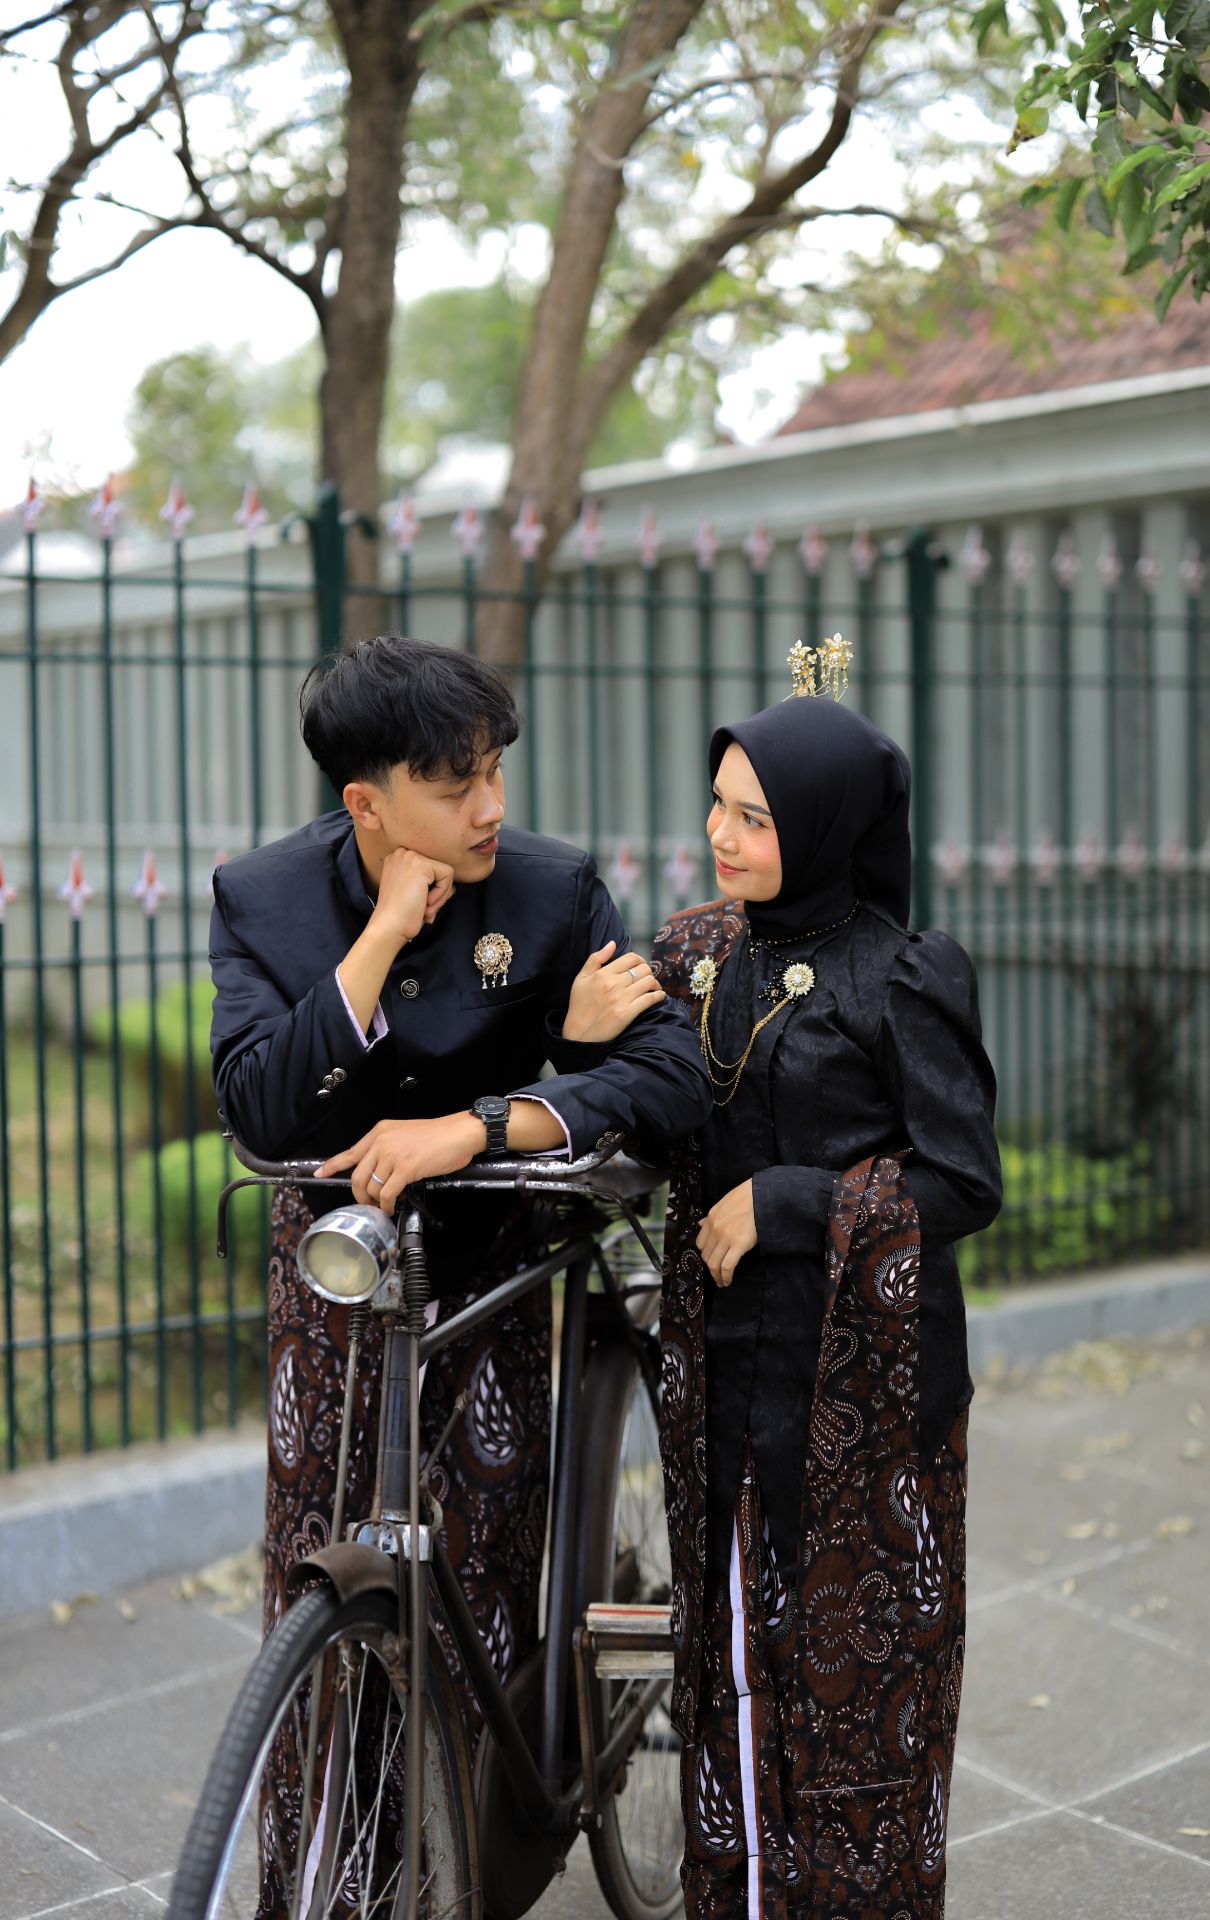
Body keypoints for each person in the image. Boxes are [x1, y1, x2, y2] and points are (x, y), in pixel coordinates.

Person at [207, 633, 711, 1889]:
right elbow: (263, 1108)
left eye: (494, 772)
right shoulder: (264, 899)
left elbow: (667, 1079)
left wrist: (497, 1112)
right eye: (454, 783)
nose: (490, 807)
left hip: (499, 1263)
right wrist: (379, 938)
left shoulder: (549, 891)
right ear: (366, 802)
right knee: (319, 1574)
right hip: (341, 1274)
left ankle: (470, 1869)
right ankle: (329, 1884)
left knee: (480, 1568)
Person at [649, 650, 1002, 1919]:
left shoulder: (900, 973)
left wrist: (795, 1200)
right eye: (718, 805)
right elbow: (633, 1093)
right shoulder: (695, 954)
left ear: (822, 826)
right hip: (721, 1373)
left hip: (860, 1391)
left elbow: (963, 1180)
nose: (722, 836)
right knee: (732, 1656)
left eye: (754, 817)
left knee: (855, 1685)